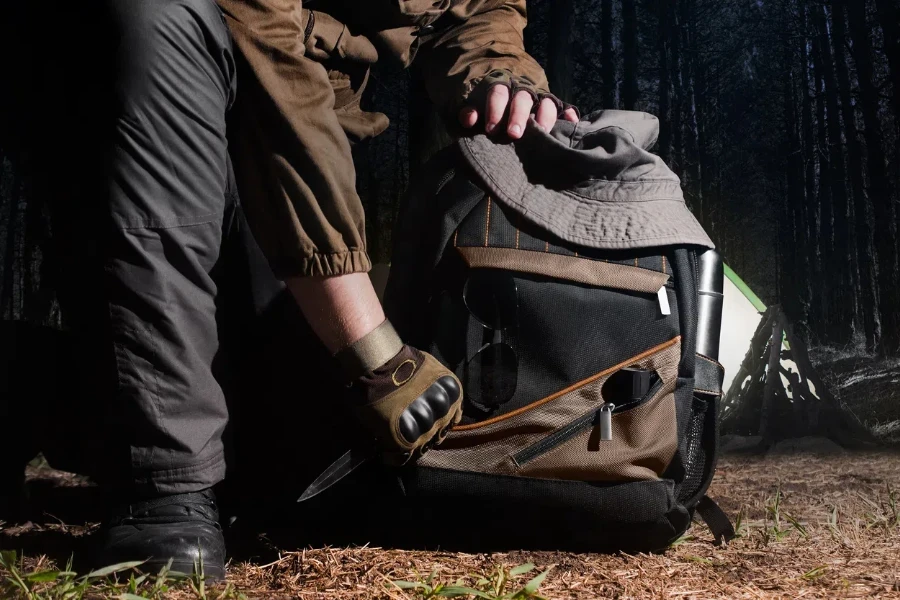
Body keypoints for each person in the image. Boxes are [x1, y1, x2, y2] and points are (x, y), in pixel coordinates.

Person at [30, 0, 577, 580]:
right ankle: (163, 489)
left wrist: (499, 76)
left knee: (291, 473)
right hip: (161, 107)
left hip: (307, 139)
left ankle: (35, 389)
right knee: (157, 17)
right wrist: (372, 350)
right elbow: (266, 50)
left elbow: (470, 9)